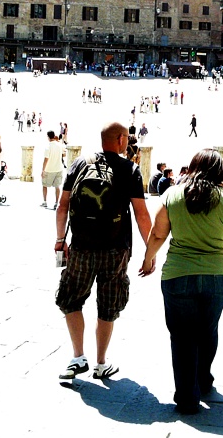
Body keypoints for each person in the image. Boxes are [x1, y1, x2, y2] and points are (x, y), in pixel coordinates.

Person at [139, 148, 223, 413]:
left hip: (179, 274)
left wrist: (148, 259)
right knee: (208, 329)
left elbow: (157, 234)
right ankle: (204, 379)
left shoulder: (172, 195)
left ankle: (187, 396)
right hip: (218, 275)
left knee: (182, 336)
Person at [55, 122, 153, 381]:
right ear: (121, 139)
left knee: (71, 299)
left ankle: (78, 357)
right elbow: (142, 214)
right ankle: (100, 363)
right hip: (115, 250)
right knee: (108, 306)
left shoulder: (78, 164)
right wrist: (150, 251)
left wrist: (59, 240)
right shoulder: (129, 169)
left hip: (81, 248)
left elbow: (62, 205)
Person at [41, 130, 66, 209]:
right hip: (59, 168)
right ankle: (56, 202)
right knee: (57, 186)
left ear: (48, 137)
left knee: (45, 185)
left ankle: (45, 202)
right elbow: (64, 154)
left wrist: (43, 170)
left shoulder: (48, 147)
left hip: (49, 169)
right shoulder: (60, 145)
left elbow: (46, 160)